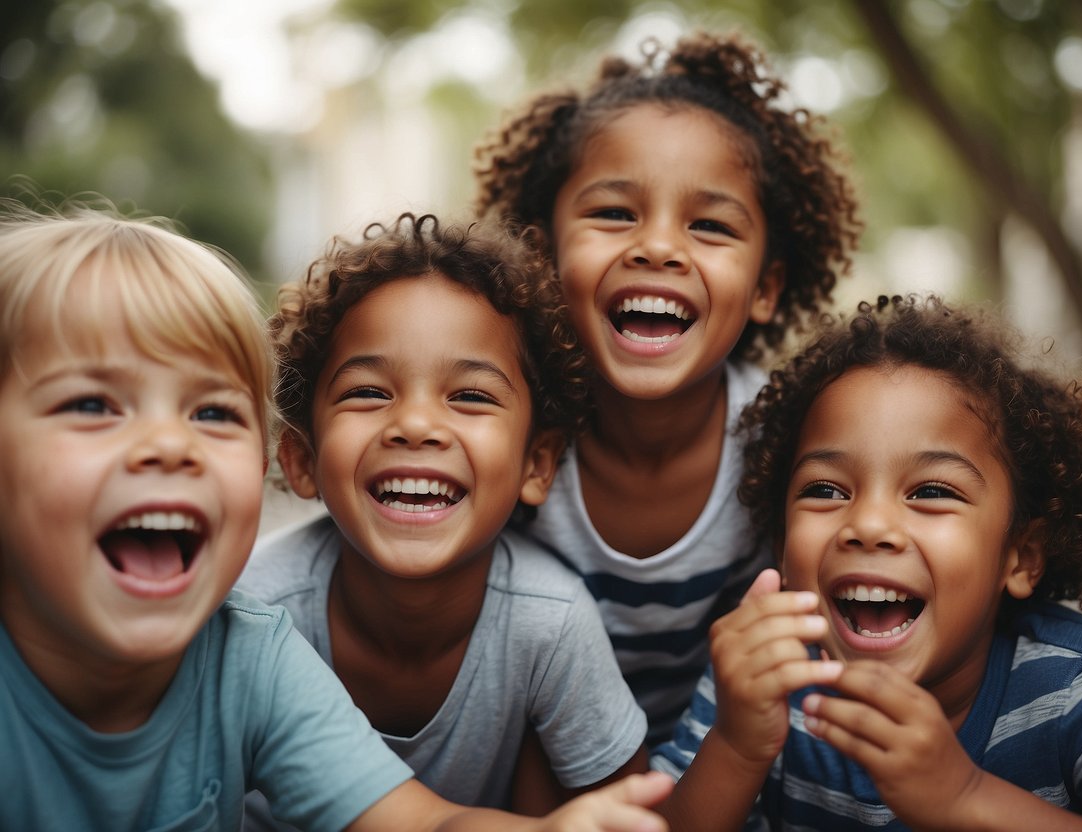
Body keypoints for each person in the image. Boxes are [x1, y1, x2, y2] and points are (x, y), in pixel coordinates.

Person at [0, 200, 672, 832]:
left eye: (212, 413)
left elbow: (420, 822)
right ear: (298, 459)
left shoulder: (248, 655)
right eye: (91, 406)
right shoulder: (270, 608)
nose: (169, 445)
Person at [650, 294, 1082, 830]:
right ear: (781, 541)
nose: (868, 525)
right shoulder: (761, 679)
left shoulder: (1075, 683)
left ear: (1021, 557)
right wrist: (735, 746)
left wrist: (967, 799)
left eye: (931, 492)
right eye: (825, 489)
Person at [472, 30, 862, 746]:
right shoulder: (505, 435)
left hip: (734, 762)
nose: (657, 247)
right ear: (542, 251)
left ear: (765, 288)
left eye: (709, 226)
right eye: (614, 213)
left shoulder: (787, 444)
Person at [238, 212, 650, 827]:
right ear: (301, 458)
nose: (417, 425)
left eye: (471, 396)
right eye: (369, 392)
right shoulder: (256, 611)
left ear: (537, 463)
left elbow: (623, 812)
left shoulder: (550, 625)